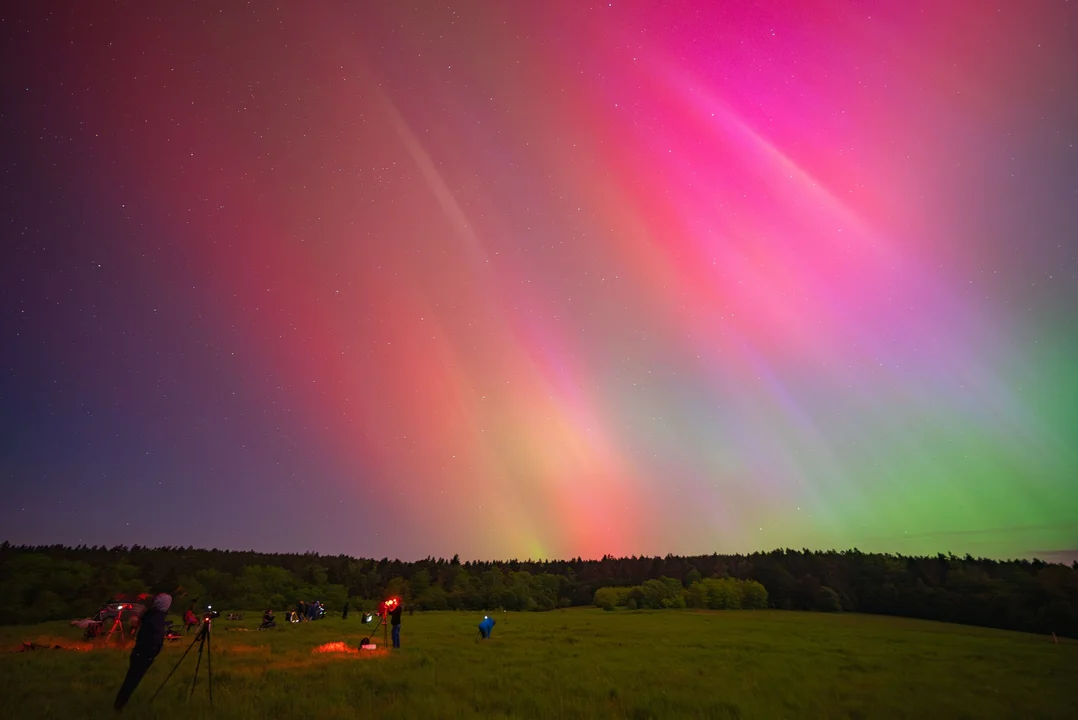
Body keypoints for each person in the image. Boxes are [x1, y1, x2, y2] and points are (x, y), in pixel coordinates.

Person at [114, 593, 171, 712]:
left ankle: (120, 703)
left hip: (142, 652)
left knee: (132, 679)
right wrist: (153, 651)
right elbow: (154, 636)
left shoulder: (152, 614)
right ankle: (119, 706)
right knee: (132, 680)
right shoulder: (155, 617)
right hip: (144, 653)